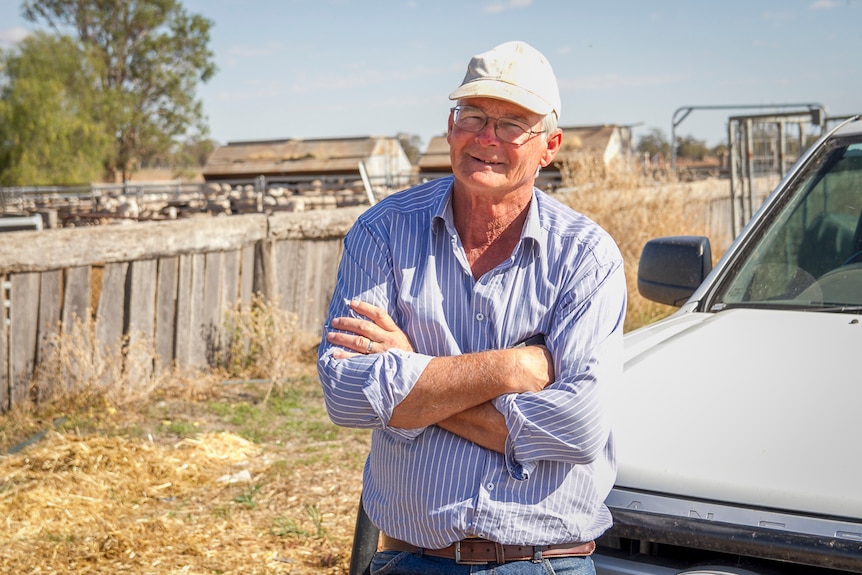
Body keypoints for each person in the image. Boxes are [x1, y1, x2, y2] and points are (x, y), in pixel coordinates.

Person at [318, 40, 627, 575]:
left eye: (512, 124)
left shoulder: (585, 254)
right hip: (413, 561)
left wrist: (414, 380)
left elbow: (578, 428)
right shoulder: (384, 231)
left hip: (544, 564)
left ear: (549, 145)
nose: (487, 138)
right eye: (474, 116)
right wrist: (510, 368)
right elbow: (345, 394)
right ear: (449, 126)